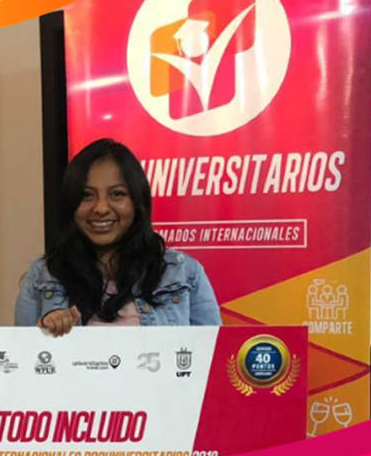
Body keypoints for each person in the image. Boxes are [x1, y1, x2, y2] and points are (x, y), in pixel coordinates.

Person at [15, 138, 220, 335]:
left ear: (138, 201)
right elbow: (23, 355)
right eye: (87, 195)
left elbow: (215, 354)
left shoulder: (184, 273)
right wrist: (42, 338)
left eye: (117, 194)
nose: (101, 208)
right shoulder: (42, 277)